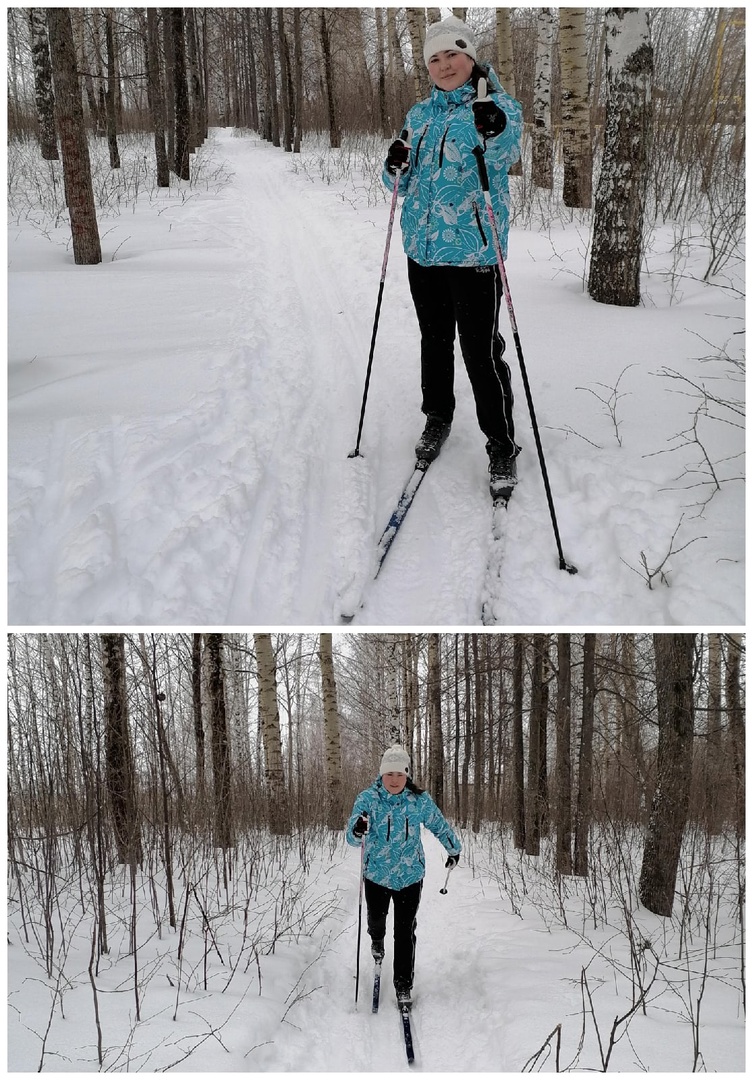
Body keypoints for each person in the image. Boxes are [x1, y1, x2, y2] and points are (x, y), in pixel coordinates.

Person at [382, 16, 524, 499]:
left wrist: (494, 124)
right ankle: (437, 417)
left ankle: (501, 443)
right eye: (434, 59)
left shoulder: (497, 105)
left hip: (474, 254)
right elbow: (396, 181)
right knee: (434, 340)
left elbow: (506, 150)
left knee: (480, 352)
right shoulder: (419, 115)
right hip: (423, 253)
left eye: (452, 55)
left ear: (471, 57)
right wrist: (393, 164)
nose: (444, 65)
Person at [346, 744, 461, 1008]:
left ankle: (403, 983)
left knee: (404, 931)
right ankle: (376, 943)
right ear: (381, 775)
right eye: (389, 774)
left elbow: (439, 825)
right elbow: (352, 839)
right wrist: (357, 829)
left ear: (407, 774)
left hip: (410, 876)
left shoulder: (419, 800)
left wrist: (453, 849)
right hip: (376, 875)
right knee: (377, 923)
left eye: (399, 774)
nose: (394, 780)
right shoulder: (367, 799)